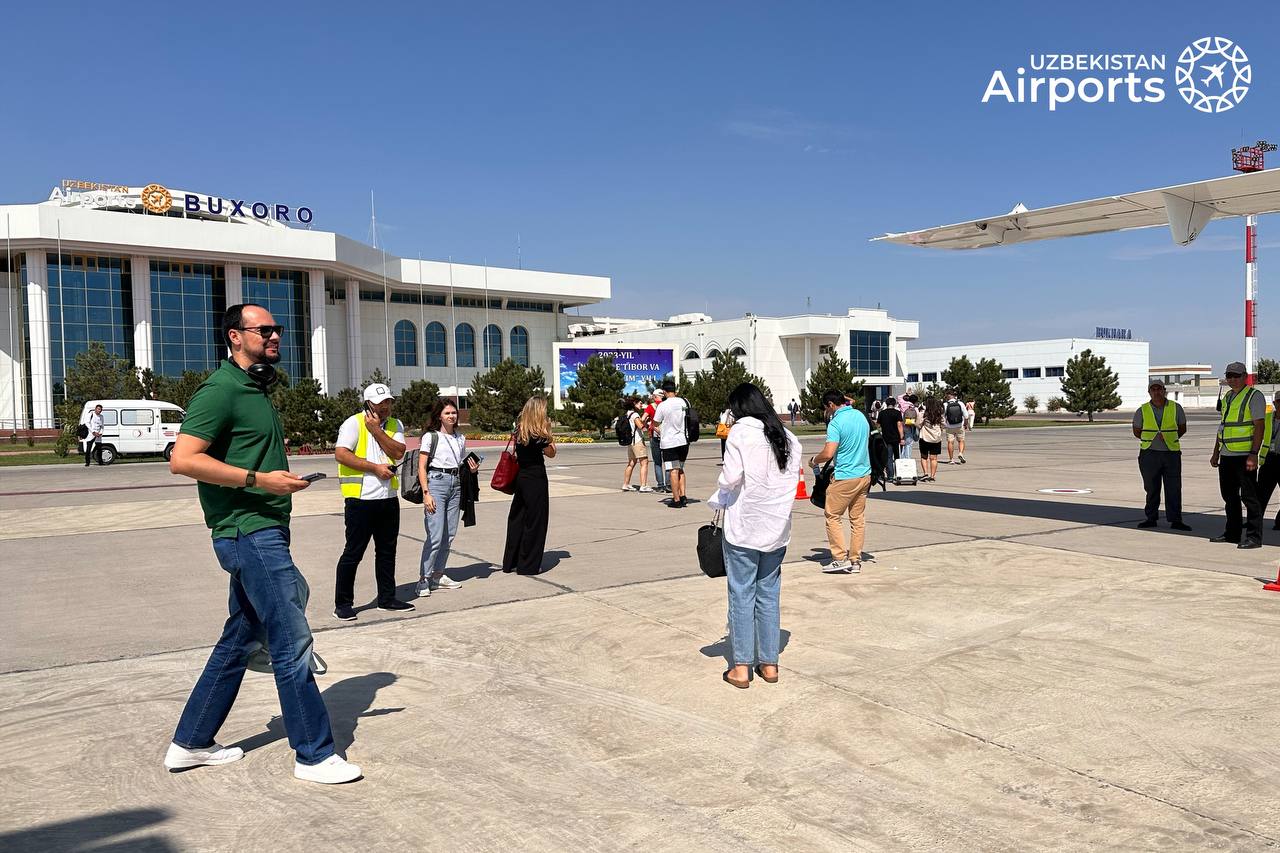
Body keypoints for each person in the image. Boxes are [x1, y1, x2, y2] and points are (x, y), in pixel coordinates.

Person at [164, 303, 360, 784]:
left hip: (263, 527)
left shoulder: (255, 388)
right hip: (247, 529)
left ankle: (190, 743)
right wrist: (259, 481)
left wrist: (275, 481)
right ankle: (313, 755)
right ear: (235, 336)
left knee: (240, 639)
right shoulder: (220, 390)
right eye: (265, 329)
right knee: (292, 642)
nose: (275, 336)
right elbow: (183, 459)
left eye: (278, 329)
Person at [709, 383, 802, 689]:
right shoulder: (787, 436)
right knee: (768, 595)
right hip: (776, 529)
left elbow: (731, 477)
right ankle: (770, 663)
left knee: (741, 594)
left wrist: (720, 491)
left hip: (745, 528)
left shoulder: (740, 431)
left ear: (737, 407)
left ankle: (741, 667)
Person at [332, 383, 411, 621]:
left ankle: (386, 598)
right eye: (380, 403)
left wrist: (377, 430)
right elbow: (341, 454)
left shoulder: (395, 425)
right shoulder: (353, 423)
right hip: (361, 499)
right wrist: (374, 468)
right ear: (368, 404)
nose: (385, 406)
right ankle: (343, 603)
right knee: (353, 552)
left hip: (387, 499)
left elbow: (398, 452)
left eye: (388, 401)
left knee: (387, 551)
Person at [418, 399, 480, 596]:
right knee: (435, 536)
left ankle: (437, 575)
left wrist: (472, 469)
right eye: (447, 413)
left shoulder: (460, 438)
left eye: (454, 413)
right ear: (439, 416)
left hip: (456, 484)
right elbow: (421, 466)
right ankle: (423, 579)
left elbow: (461, 462)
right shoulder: (431, 437)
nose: (452, 416)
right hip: (436, 482)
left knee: (449, 535)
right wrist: (426, 493)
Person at [809, 389, 871, 573]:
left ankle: (839, 557)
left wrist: (814, 460)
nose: (826, 412)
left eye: (826, 408)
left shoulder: (836, 423)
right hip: (864, 474)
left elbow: (828, 453)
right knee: (857, 519)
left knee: (833, 516)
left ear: (830, 405)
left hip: (845, 476)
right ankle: (855, 560)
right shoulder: (860, 416)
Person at [1209, 362, 1266, 549]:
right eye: (1229, 376)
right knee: (1229, 497)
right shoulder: (1227, 397)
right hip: (1227, 455)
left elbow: (1260, 426)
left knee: (1250, 498)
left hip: (1244, 455)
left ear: (1245, 376)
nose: (1232, 379)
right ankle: (1232, 533)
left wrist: (1253, 454)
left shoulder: (1254, 396)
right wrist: (1216, 452)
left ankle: (1254, 537)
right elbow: (1223, 427)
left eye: (1236, 375)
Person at [502, 396, 556, 573]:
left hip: (521, 477)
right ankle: (529, 564)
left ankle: (512, 561)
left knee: (518, 518)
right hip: (536, 478)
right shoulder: (539, 434)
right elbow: (552, 453)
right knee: (536, 521)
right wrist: (549, 434)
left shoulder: (520, 429)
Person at [1132, 380, 1189, 531]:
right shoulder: (1142, 410)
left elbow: (1182, 428)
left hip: (1171, 454)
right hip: (1149, 453)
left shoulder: (1176, 408)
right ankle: (1151, 518)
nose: (1156, 392)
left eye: (1159, 389)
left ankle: (1176, 519)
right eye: (1153, 389)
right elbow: (1137, 430)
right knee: (1151, 488)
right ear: (1149, 392)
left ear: (1164, 391)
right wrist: (1152, 439)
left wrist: (1169, 438)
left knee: (1174, 488)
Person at [653, 380, 690, 509]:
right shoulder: (684, 402)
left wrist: (661, 430)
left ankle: (676, 499)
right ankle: (683, 495)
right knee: (680, 469)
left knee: (673, 470)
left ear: (664, 391)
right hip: (683, 441)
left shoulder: (663, 405)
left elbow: (656, 423)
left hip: (669, 442)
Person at [1256, 389, 1280, 531]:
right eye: (1279, 401)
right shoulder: (1266, 418)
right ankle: (1255, 521)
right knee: (1261, 495)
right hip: (1269, 460)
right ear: (1274, 403)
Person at [621, 397, 651, 492]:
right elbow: (640, 426)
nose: (641, 405)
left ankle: (626, 484)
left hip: (630, 442)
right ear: (634, 403)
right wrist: (647, 426)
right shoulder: (635, 414)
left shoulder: (628, 414)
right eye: (640, 403)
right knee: (644, 462)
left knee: (631, 463)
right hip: (637, 441)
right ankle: (643, 485)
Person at [876, 395, 904, 480]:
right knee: (897, 456)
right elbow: (899, 425)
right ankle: (898, 474)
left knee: (888, 456)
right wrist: (902, 436)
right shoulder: (897, 413)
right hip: (896, 437)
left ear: (886, 404)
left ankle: (890, 475)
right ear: (895, 404)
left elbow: (878, 425)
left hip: (886, 437)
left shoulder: (882, 413)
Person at [646, 390, 668, 493]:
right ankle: (669, 485)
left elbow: (642, 418)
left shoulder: (651, 407)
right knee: (668, 461)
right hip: (667, 436)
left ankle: (660, 486)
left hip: (655, 436)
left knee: (657, 462)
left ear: (655, 396)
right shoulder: (667, 405)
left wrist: (648, 425)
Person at [918, 398, 944, 483]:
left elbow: (918, 424)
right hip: (936, 439)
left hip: (925, 437)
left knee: (924, 456)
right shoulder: (939, 415)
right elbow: (944, 424)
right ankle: (932, 476)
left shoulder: (923, 414)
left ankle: (925, 473)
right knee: (934, 458)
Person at [944, 391, 967, 464]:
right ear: (954, 396)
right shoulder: (960, 403)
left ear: (948, 396)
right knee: (961, 441)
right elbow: (966, 415)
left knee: (950, 442)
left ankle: (951, 459)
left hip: (949, 426)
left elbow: (942, 416)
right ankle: (960, 453)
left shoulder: (945, 404)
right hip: (960, 425)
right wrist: (965, 424)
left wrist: (944, 425)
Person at [901, 395, 919, 463]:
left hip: (902, 425)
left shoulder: (902, 405)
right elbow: (916, 418)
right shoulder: (914, 408)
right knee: (909, 443)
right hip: (909, 426)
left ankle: (902, 458)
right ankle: (907, 459)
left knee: (903, 443)